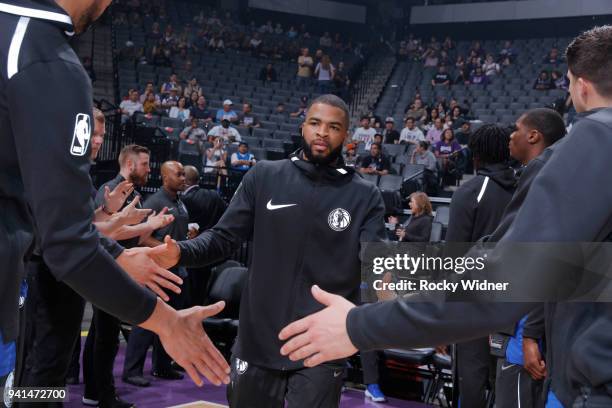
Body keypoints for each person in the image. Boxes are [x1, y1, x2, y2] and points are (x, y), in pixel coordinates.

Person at [0, 0, 229, 399]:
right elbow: (69, 239)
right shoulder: (45, 60)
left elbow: (47, 211)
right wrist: (168, 322)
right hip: (49, 274)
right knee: (43, 373)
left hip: (63, 270)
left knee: (53, 367)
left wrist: (118, 253)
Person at [147, 94, 387, 408]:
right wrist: (180, 252)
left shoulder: (365, 195)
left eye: (333, 127)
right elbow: (223, 238)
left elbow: (380, 264)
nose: (322, 133)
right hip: (257, 339)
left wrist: (456, 285)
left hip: (320, 345)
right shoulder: (265, 176)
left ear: (346, 135)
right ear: (303, 127)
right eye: (315, 123)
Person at [84, 146, 177, 407]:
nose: (149, 169)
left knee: (101, 334)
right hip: (108, 268)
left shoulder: (130, 191)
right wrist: (147, 227)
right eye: (145, 164)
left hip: (116, 268)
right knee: (104, 336)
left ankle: (95, 392)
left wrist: (148, 225)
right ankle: (101, 394)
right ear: (129, 163)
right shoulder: (112, 188)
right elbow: (104, 232)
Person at [492, 108, 566, 408]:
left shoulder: (544, 174)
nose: (511, 135)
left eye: (516, 129)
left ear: (533, 135)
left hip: (527, 328)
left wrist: (531, 334)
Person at [123, 162, 192, 388]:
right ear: (164, 177)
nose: (183, 178)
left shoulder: (180, 202)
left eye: (184, 174)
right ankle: (131, 370)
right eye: (178, 174)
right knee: (145, 321)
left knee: (171, 321)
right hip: (157, 273)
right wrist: (166, 249)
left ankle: (162, 366)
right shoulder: (155, 203)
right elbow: (142, 239)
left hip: (177, 271)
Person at [181, 166, 227, 306]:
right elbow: (227, 215)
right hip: (212, 249)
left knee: (189, 292)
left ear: (185, 181)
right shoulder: (214, 195)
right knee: (202, 290)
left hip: (191, 251)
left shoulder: (183, 200)